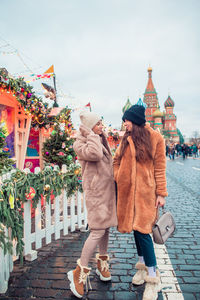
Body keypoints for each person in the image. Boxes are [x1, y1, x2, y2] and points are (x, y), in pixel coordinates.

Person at [113, 105, 168, 300]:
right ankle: (142, 268)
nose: (124, 123)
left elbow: (160, 167)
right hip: (128, 194)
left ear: (134, 120)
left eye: (126, 120)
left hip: (146, 194)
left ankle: (153, 279)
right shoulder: (126, 139)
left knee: (144, 233)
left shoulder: (155, 138)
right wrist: (119, 175)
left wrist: (161, 193)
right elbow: (116, 160)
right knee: (136, 231)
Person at [68, 111, 117, 298]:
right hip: (96, 193)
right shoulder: (80, 142)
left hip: (108, 192)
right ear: (89, 126)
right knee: (97, 230)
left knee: (105, 228)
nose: (101, 127)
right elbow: (95, 155)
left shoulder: (99, 138)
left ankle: (102, 263)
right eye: (97, 124)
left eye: (101, 123)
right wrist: (91, 135)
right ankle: (79, 271)